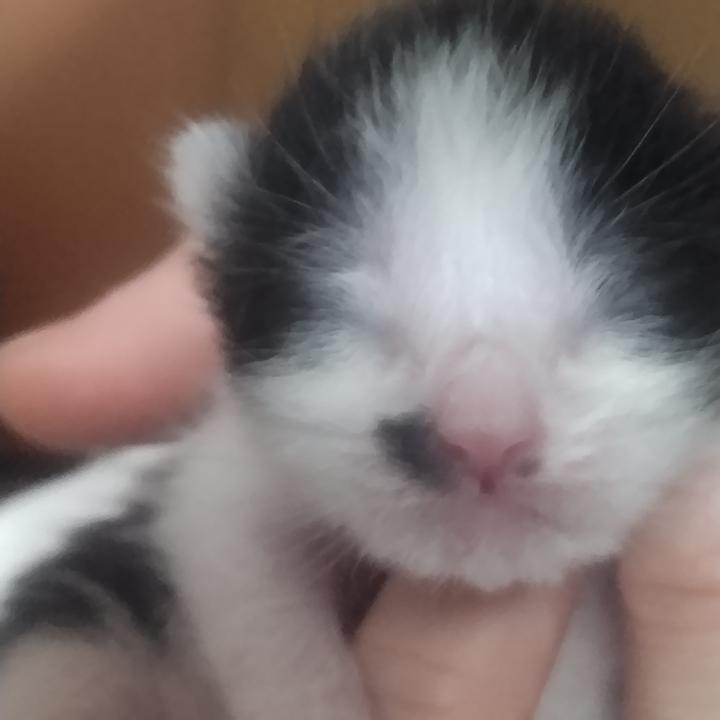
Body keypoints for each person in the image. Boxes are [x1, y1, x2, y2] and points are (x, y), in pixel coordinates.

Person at [2, 242, 719, 719]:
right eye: (360, 317)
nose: (484, 431)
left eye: (611, 308)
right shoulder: (242, 467)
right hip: (142, 622)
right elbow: (217, 530)